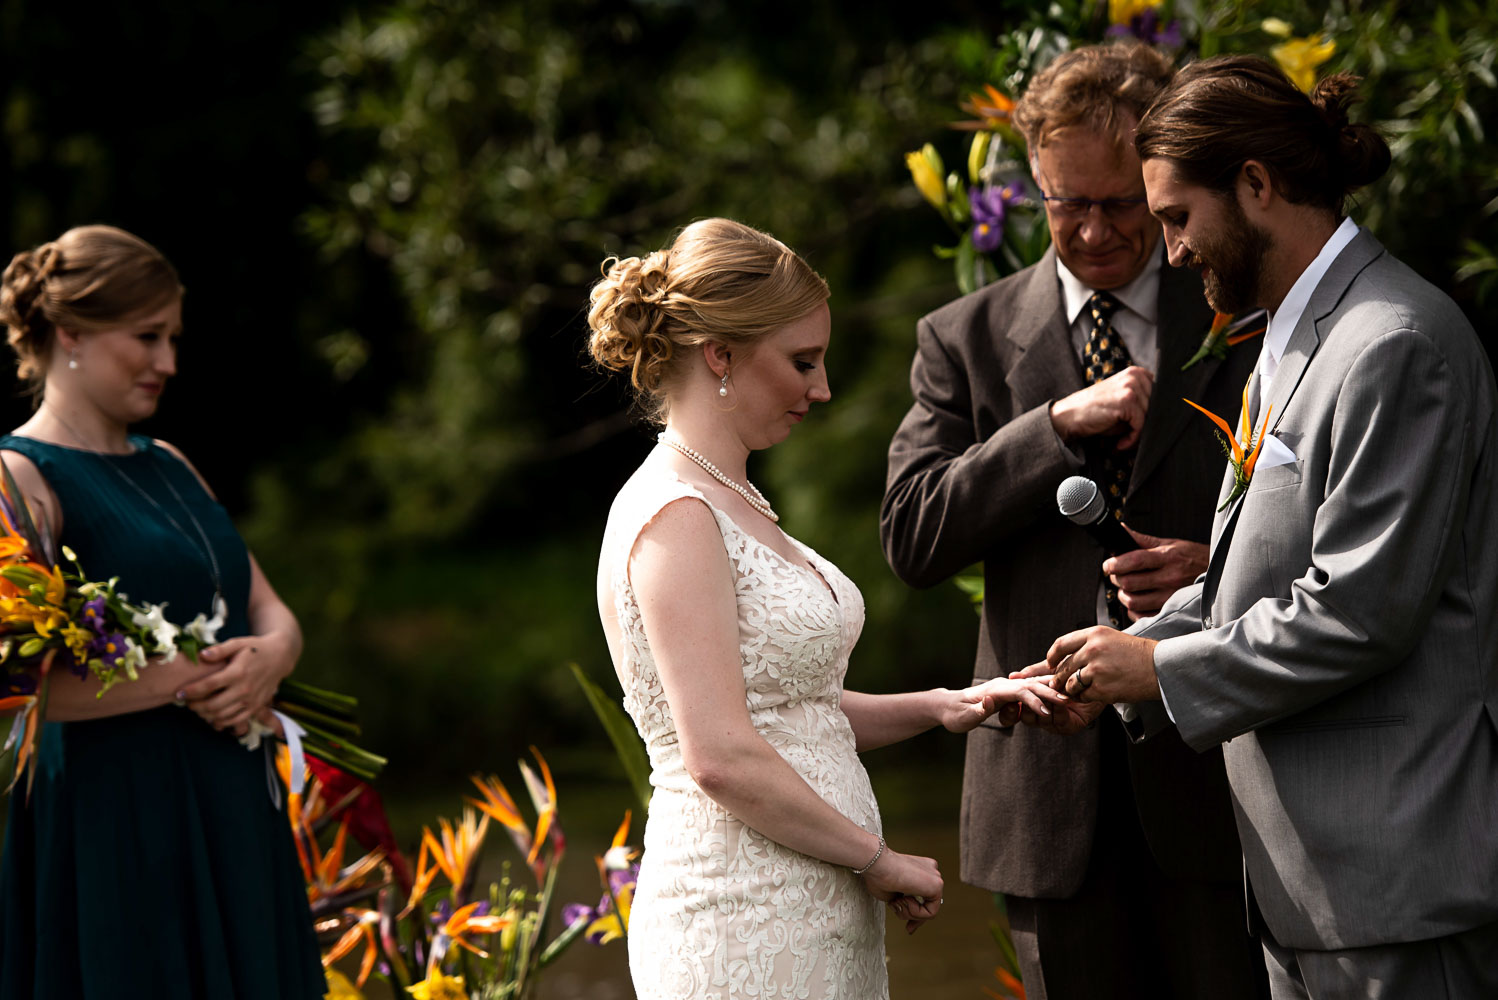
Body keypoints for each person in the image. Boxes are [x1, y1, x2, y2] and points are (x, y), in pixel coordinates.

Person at [1035, 55, 1498, 998]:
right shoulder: (1290, 333)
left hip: (1397, 875)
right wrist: (1125, 653)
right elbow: (1259, 573)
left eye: (1175, 216)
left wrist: (1161, 671)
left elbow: (1359, 611)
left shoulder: (1394, 341)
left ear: (1256, 184)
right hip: (1308, 883)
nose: (1168, 252)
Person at [586, 217, 1063, 999]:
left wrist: (950, 705)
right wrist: (879, 860)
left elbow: (791, 710)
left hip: (810, 902)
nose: (822, 387)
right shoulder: (675, 513)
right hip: (739, 915)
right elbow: (719, 753)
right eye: (802, 361)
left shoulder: (731, 496)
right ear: (721, 354)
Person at [881, 41, 1266, 1000]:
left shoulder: (1245, 316)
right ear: (1034, 186)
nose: (1093, 232)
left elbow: (1312, 523)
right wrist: (1048, 427)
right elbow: (912, 536)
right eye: (1066, 204)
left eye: (1121, 203)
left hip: (1217, 781)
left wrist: (1212, 565)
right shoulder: (961, 339)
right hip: (1044, 800)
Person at [0, 225, 326, 998]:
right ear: (70, 331)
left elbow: (267, 607)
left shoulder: (171, 464)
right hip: (115, 823)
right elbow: (16, 691)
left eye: (173, 338)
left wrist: (272, 660)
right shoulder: (20, 480)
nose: (169, 363)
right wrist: (190, 680)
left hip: (230, 804)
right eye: (147, 337)